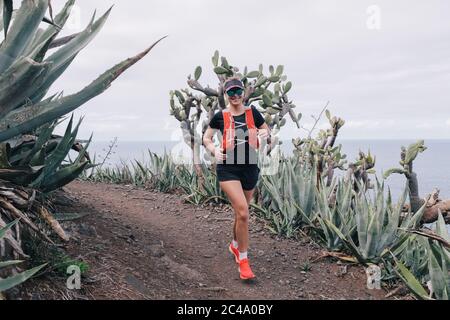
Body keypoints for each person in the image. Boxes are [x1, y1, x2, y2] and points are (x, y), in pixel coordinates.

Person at [202, 77, 271, 280]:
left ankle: (234, 245)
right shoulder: (220, 116)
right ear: (225, 94)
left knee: (240, 214)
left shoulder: (253, 112)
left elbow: (266, 129)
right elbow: (206, 137)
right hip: (228, 169)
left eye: (238, 92)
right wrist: (214, 149)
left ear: (243, 92)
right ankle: (243, 261)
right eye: (230, 92)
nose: (235, 96)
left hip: (250, 168)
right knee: (243, 212)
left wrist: (263, 135)